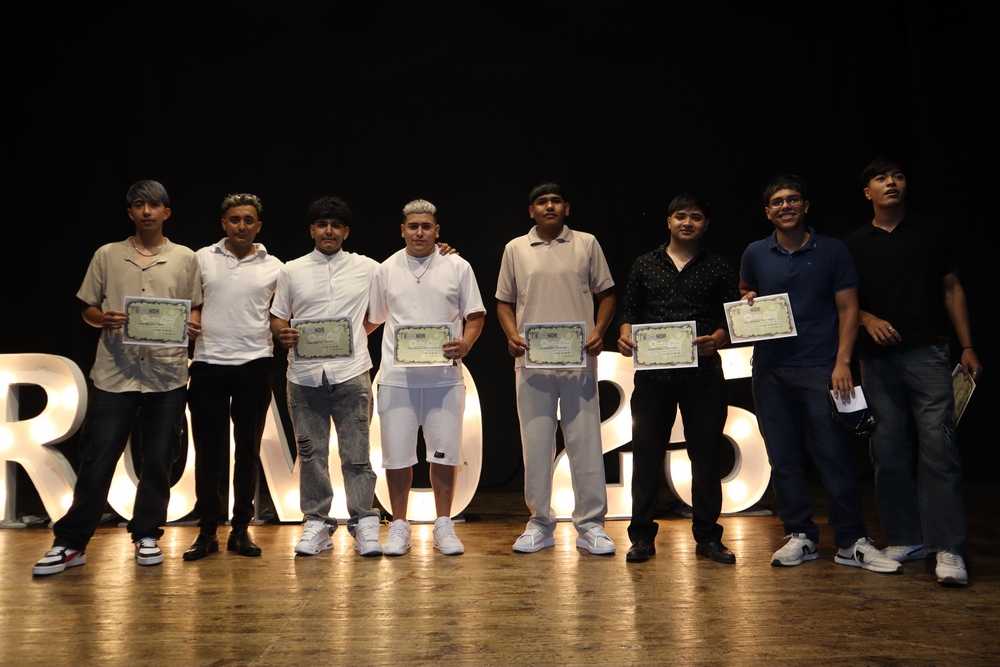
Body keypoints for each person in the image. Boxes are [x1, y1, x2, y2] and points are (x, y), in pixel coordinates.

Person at [33, 180, 203, 576]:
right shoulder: (107, 254)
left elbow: (194, 306)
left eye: (154, 205)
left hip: (166, 373)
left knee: (158, 459)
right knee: (98, 458)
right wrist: (102, 319)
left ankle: (146, 534)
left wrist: (192, 324)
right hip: (115, 372)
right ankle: (71, 542)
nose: (146, 211)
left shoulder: (184, 257)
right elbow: (87, 308)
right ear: (130, 212)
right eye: (139, 205)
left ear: (166, 212)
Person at [739, 174, 901, 574]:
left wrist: (842, 363)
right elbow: (745, 290)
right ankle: (800, 535)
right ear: (767, 212)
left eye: (793, 199)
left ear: (806, 206)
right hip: (769, 369)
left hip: (821, 368)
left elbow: (849, 309)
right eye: (778, 202)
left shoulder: (832, 250)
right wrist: (748, 299)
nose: (786, 206)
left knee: (835, 455)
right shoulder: (755, 252)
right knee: (783, 456)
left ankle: (850, 541)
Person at [844, 158, 981, 586]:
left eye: (898, 176)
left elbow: (951, 287)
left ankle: (948, 548)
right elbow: (844, 302)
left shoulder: (934, 229)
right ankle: (906, 537)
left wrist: (967, 345)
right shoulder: (852, 243)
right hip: (876, 359)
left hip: (928, 351)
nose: (892, 183)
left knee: (939, 448)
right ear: (867, 192)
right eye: (881, 178)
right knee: (887, 450)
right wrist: (866, 318)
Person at [617, 194, 739, 564]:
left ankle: (708, 537)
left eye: (696, 217)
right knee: (646, 457)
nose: (688, 222)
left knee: (706, 457)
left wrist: (717, 339)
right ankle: (641, 537)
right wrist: (624, 335)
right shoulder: (645, 264)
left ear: (706, 224)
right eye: (681, 216)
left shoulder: (718, 266)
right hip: (653, 377)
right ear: (668, 221)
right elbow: (629, 311)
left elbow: (730, 318)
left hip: (703, 375)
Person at [496, 183, 617, 555]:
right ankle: (539, 523)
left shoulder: (587, 243)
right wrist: (511, 334)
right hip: (531, 363)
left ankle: (591, 525)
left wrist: (599, 331)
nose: (549, 206)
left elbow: (607, 295)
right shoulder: (515, 248)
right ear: (531, 211)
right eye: (541, 202)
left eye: (556, 201)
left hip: (579, 360)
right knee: (535, 446)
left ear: (567, 207)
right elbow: (503, 301)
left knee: (586, 443)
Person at [367, 199, 486, 556]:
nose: (419, 232)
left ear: (437, 231)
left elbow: (475, 315)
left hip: (444, 380)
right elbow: (373, 319)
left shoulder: (457, 265)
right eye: (413, 226)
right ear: (402, 230)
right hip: (396, 379)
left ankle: (443, 524)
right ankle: (399, 525)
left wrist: (466, 344)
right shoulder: (386, 269)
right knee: (396, 457)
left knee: (444, 455)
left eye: (426, 226)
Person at [269, 196, 384, 557]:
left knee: (357, 454)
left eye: (335, 225)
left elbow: (378, 314)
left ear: (346, 231)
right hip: (304, 376)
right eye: (322, 224)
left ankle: (364, 521)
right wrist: (282, 333)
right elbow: (278, 316)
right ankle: (317, 522)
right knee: (311, 454)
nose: (328, 231)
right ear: (312, 230)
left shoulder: (369, 268)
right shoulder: (291, 270)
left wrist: (349, 338)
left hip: (351, 373)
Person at [183, 193, 282, 561]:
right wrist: (192, 319)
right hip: (208, 363)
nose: (242, 225)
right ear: (223, 223)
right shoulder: (200, 258)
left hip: (255, 364)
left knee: (248, 451)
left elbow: (282, 312)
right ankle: (207, 530)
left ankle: (240, 528)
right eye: (235, 219)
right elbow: (191, 302)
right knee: (208, 451)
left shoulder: (275, 266)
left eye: (249, 220)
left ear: (259, 226)